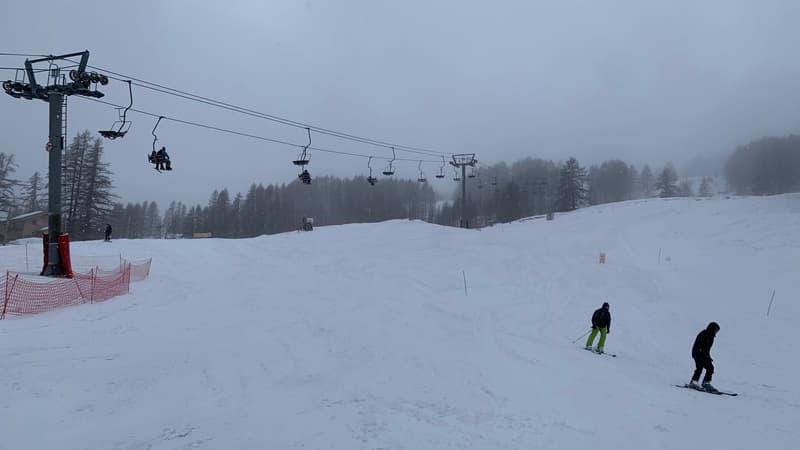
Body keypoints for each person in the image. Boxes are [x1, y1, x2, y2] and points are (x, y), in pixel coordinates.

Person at [690, 322, 720, 392]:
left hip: (703, 354)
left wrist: (708, 357)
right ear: (712, 328)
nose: (716, 332)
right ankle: (694, 382)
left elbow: (707, 348)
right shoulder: (704, 334)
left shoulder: (711, 336)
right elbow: (699, 345)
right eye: (716, 330)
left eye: (717, 331)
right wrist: (702, 355)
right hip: (697, 353)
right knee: (700, 367)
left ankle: (706, 383)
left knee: (710, 367)